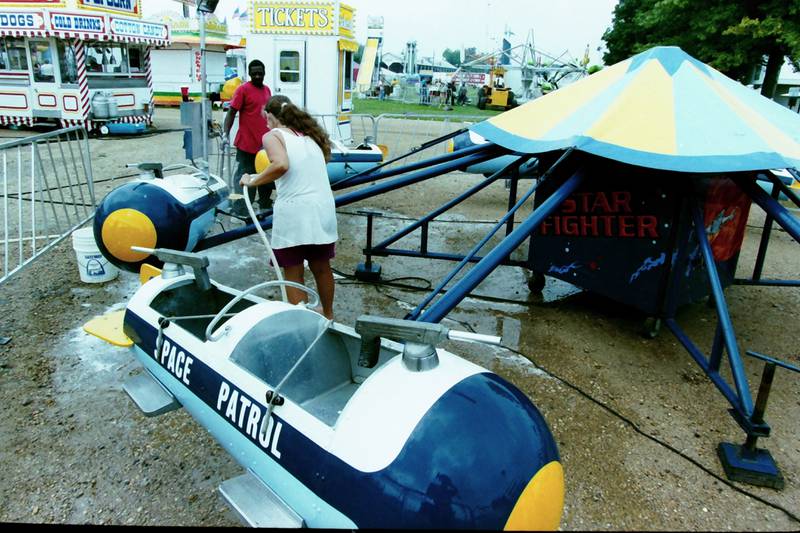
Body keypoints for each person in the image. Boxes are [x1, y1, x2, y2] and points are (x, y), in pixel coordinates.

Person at [240, 95, 338, 320]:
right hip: (322, 210)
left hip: (296, 212)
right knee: (321, 267)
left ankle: (302, 322)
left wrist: (253, 180)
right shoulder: (311, 138)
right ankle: (329, 315)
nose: (266, 123)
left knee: (292, 270)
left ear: (273, 117)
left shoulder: (273, 136)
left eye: (267, 118)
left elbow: (282, 164)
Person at [223, 59, 274, 216]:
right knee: (246, 178)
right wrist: (226, 133)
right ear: (250, 74)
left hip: (264, 147)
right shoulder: (242, 90)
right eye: (254, 73)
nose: (257, 76)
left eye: (260, 73)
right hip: (247, 145)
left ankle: (265, 205)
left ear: (264, 73)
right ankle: (241, 210)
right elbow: (231, 112)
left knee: (266, 177)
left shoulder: (267, 91)